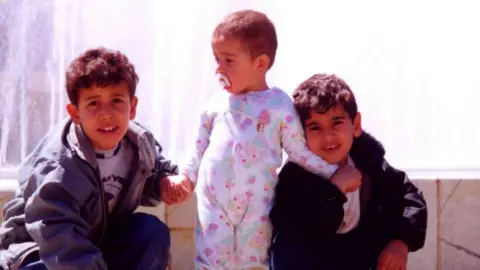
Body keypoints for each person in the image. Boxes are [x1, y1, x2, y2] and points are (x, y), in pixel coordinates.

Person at [175, 10, 359, 270]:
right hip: (214, 204)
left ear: (260, 63)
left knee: (255, 263)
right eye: (217, 60)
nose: (219, 69)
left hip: (257, 205)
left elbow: (299, 151)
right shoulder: (214, 106)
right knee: (210, 262)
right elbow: (198, 150)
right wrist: (185, 178)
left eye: (228, 60)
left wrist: (333, 173)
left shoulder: (279, 104)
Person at [0, 47, 190, 270]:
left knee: (150, 231)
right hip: (40, 250)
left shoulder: (139, 143)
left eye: (117, 100)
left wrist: (164, 181)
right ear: (74, 113)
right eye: (93, 103)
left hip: (95, 242)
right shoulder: (58, 165)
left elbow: (154, 168)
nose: (106, 113)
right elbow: (55, 233)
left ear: (133, 107)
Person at [269, 73, 428, 270]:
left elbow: (409, 197)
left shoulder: (369, 163)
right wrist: (335, 190)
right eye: (315, 127)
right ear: (301, 134)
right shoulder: (295, 176)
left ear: (356, 125)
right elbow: (295, 231)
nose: (328, 136)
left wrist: (401, 242)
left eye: (336, 122)